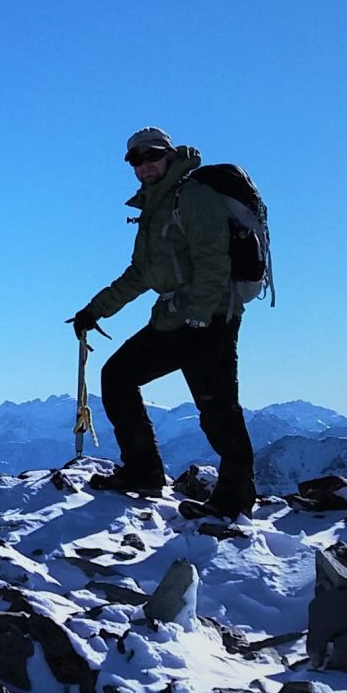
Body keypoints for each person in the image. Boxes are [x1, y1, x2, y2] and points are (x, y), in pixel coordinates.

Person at [69, 126, 257, 516]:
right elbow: (140, 273)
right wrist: (94, 310)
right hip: (176, 317)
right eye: (135, 159)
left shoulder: (193, 197)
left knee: (218, 407)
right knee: (118, 376)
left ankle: (234, 499)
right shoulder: (155, 207)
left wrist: (200, 320)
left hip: (211, 317)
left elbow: (213, 263)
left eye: (152, 155)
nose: (144, 165)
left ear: (170, 156)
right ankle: (143, 471)